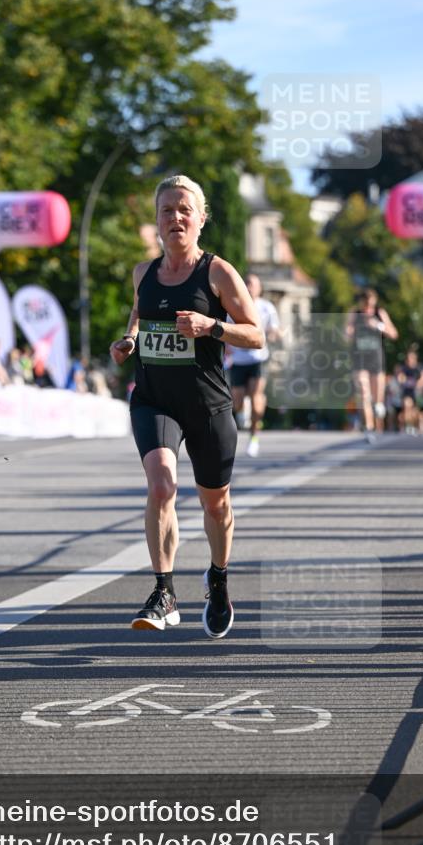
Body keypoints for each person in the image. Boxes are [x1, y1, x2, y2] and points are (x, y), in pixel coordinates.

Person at [110, 175, 264, 639]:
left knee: (215, 505)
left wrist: (211, 326)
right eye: (166, 210)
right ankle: (164, 590)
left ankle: (217, 579)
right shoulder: (144, 273)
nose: (175, 217)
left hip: (208, 405)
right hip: (154, 399)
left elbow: (255, 333)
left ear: (200, 218)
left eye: (184, 210)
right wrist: (129, 341)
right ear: (156, 221)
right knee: (162, 486)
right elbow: (138, 317)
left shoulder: (216, 272)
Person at [228, 274, 280, 457]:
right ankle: (244, 410)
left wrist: (273, 335)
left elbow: (273, 329)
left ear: (259, 288)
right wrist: (226, 349)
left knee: (257, 397)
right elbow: (225, 330)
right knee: (237, 402)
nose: (249, 287)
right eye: (246, 284)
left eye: (253, 284)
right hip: (238, 360)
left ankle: (254, 437)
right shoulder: (233, 304)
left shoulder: (266, 307)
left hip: (258, 358)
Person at [345, 288, 398, 441]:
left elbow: (394, 334)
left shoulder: (380, 313)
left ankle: (378, 410)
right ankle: (369, 428)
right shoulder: (354, 314)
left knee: (377, 400)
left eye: (370, 304)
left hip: (376, 359)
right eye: (365, 304)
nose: (368, 307)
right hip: (359, 359)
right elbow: (346, 333)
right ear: (361, 303)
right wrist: (349, 332)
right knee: (363, 393)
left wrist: (379, 326)